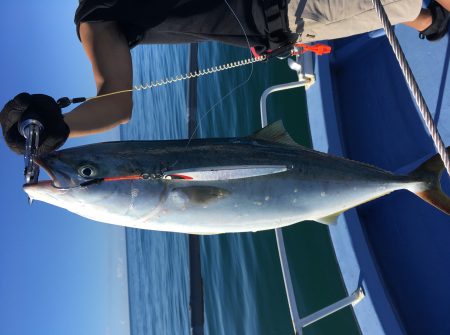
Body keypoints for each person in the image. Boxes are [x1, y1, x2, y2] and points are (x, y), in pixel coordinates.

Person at [1, 0, 449, 155]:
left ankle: (433, 24)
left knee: (406, 10)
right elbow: (118, 104)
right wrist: (59, 128)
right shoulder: (95, 17)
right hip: (287, 10)